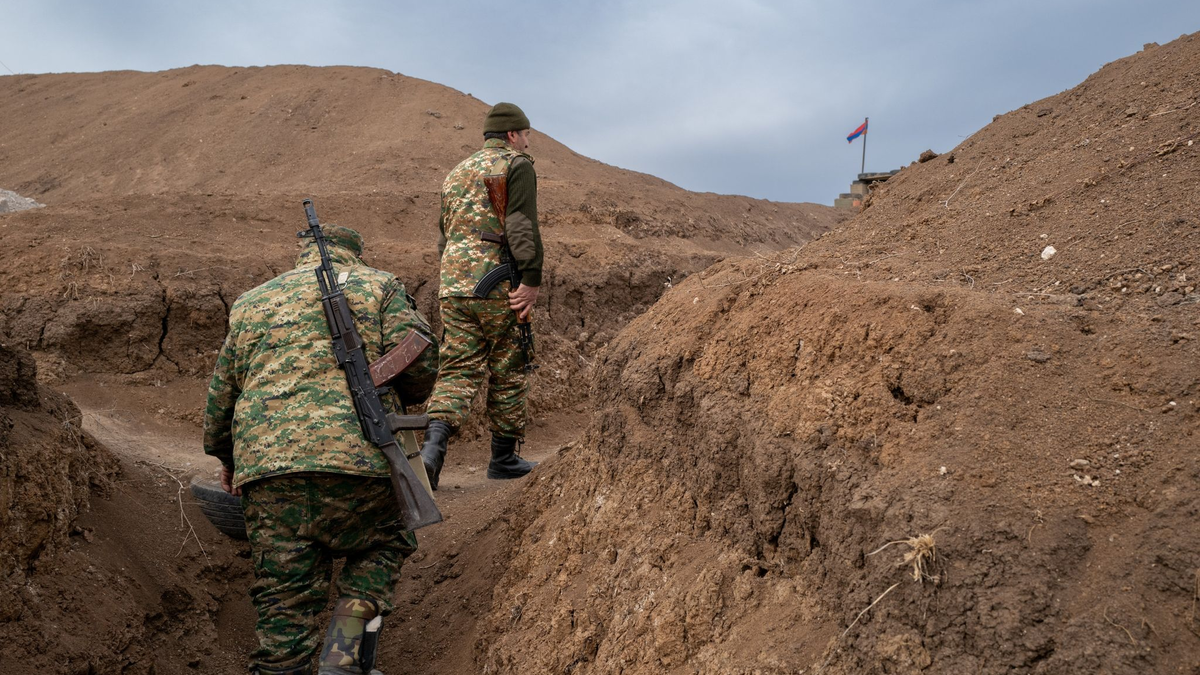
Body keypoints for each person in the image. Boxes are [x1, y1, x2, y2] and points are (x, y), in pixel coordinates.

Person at [202, 224, 438, 675]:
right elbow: (422, 364)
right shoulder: (381, 286)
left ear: (302, 253)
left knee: (283, 596)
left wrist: (228, 461)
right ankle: (343, 654)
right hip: (365, 462)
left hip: (270, 473)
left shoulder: (251, 301)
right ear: (356, 253)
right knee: (384, 543)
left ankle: (281, 666)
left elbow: (221, 399)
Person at [420, 102, 542, 489]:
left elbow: (443, 238)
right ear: (511, 135)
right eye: (524, 134)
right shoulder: (515, 166)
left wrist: (457, 277)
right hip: (497, 284)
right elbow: (521, 226)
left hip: (454, 287)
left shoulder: (455, 173)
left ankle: (431, 453)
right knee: (509, 363)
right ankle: (503, 458)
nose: (526, 141)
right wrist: (531, 279)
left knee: (457, 367)